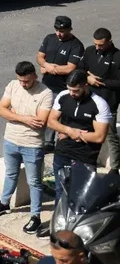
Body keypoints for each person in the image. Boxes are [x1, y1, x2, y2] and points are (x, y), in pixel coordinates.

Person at [0, 61, 53, 234]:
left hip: (32, 144)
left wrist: (14, 115)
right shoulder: (13, 85)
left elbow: (40, 122)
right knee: (10, 173)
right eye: (21, 80)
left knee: (35, 182)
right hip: (10, 140)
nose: (23, 84)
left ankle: (35, 216)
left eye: (27, 81)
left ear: (35, 76)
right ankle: (4, 203)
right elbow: (1, 109)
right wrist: (25, 118)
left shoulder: (46, 93)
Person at [46, 70, 111, 204]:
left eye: (75, 90)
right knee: (60, 191)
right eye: (69, 89)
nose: (71, 93)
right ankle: (60, 223)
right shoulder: (63, 96)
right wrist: (70, 131)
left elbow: (99, 137)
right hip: (62, 152)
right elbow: (51, 121)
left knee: (81, 194)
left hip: (85, 157)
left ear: (85, 86)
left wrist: (71, 134)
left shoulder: (99, 104)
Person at [37, 15, 84, 151]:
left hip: (62, 88)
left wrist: (50, 68)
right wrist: (45, 64)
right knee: (43, 112)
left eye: (62, 31)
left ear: (70, 29)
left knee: (56, 115)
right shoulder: (49, 38)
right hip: (45, 84)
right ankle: (44, 141)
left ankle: (52, 143)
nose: (59, 34)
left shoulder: (76, 45)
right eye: (57, 30)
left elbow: (70, 67)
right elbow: (40, 56)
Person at [80, 28, 120, 170]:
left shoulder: (117, 57)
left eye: (101, 45)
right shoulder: (90, 51)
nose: (98, 47)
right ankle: (86, 163)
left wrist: (102, 81)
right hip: (89, 101)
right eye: (95, 44)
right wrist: (88, 78)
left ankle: (114, 169)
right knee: (86, 132)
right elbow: (80, 69)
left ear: (109, 42)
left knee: (110, 137)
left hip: (109, 104)